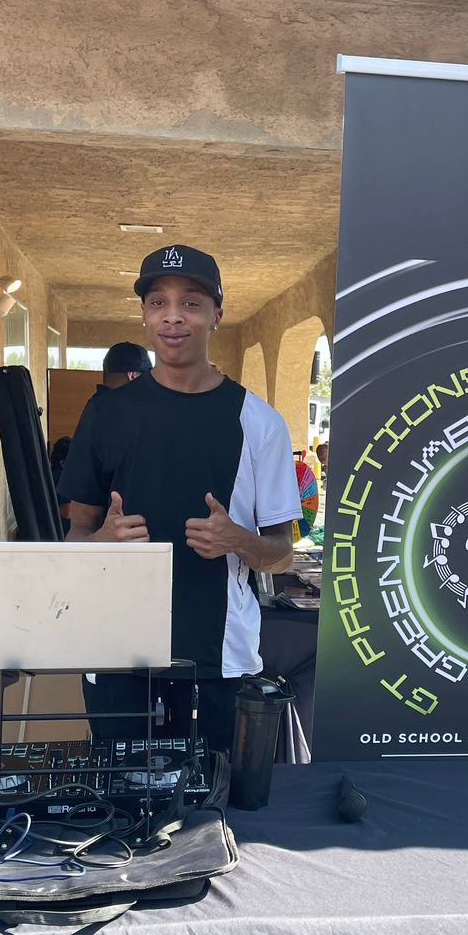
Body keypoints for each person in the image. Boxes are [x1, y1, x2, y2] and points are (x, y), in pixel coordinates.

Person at [59, 244, 301, 753]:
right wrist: (103, 540)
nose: (172, 316)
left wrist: (237, 540)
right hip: (115, 650)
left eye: (190, 302)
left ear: (216, 314)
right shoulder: (106, 415)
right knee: (121, 793)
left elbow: (281, 553)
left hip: (220, 657)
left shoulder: (260, 422)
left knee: (215, 793)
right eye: (158, 303)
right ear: (145, 316)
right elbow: (75, 535)